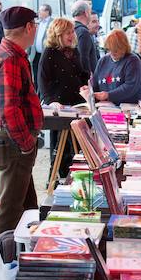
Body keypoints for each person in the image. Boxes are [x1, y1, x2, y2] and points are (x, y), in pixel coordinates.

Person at [0, 6, 44, 236]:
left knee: (26, 208)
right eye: (35, 25)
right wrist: (27, 143)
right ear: (29, 27)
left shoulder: (5, 54)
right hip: (14, 141)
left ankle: (17, 260)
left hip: (12, 140)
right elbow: (9, 109)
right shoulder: (10, 58)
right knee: (11, 210)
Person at [38, 18, 89, 179]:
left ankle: (74, 175)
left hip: (76, 104)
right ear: (58, 34)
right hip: (59, 107)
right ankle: (56, 178)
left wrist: (86, 85)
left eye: (72, 31)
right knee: (58, 146)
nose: (72, 35)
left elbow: (81, 73)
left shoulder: (74, 51)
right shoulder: (49, 53)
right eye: (68, 32)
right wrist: (51, 101)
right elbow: (42, 81)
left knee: (76, 145)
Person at [82, 28, 141, 104]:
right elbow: (96, 85)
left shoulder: (133, 60)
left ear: (124, 46)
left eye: (116, 50)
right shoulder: (103, 61)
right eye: (109, 49)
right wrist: (89, 90)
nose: (112, 53)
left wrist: (108, 95)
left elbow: (130, 86)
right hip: (109, 107)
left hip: (134, 106)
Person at [72, 0, 98, 74]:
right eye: (90, 12)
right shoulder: (83, 32)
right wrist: (87, 77)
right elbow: (83, 58)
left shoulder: (71, 29)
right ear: (86, 13)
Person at [28, 3, 52, 82]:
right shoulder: (38, 22)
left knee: (44, 77)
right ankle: (35, 93)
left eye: (40, 10)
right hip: (35, 55)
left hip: (46, 55)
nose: (38, 12)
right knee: (35, 76)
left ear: (47, 12)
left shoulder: (53, 23)